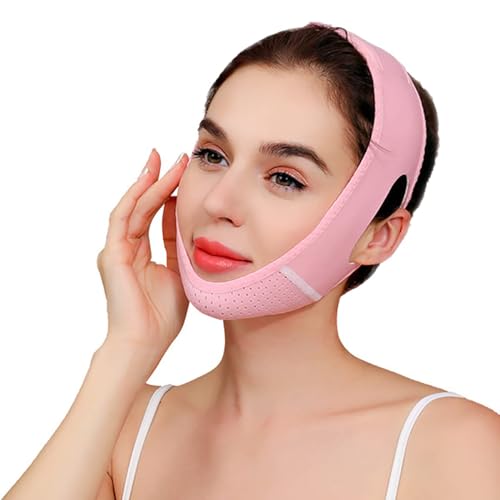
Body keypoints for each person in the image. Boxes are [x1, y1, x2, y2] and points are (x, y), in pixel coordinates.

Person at [4, 22, 499, 500]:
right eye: (213, 155)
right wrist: (126, 349)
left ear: (377, 236)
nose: (217, 201)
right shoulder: (124, 429)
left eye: (285, 178)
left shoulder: (455, 447)